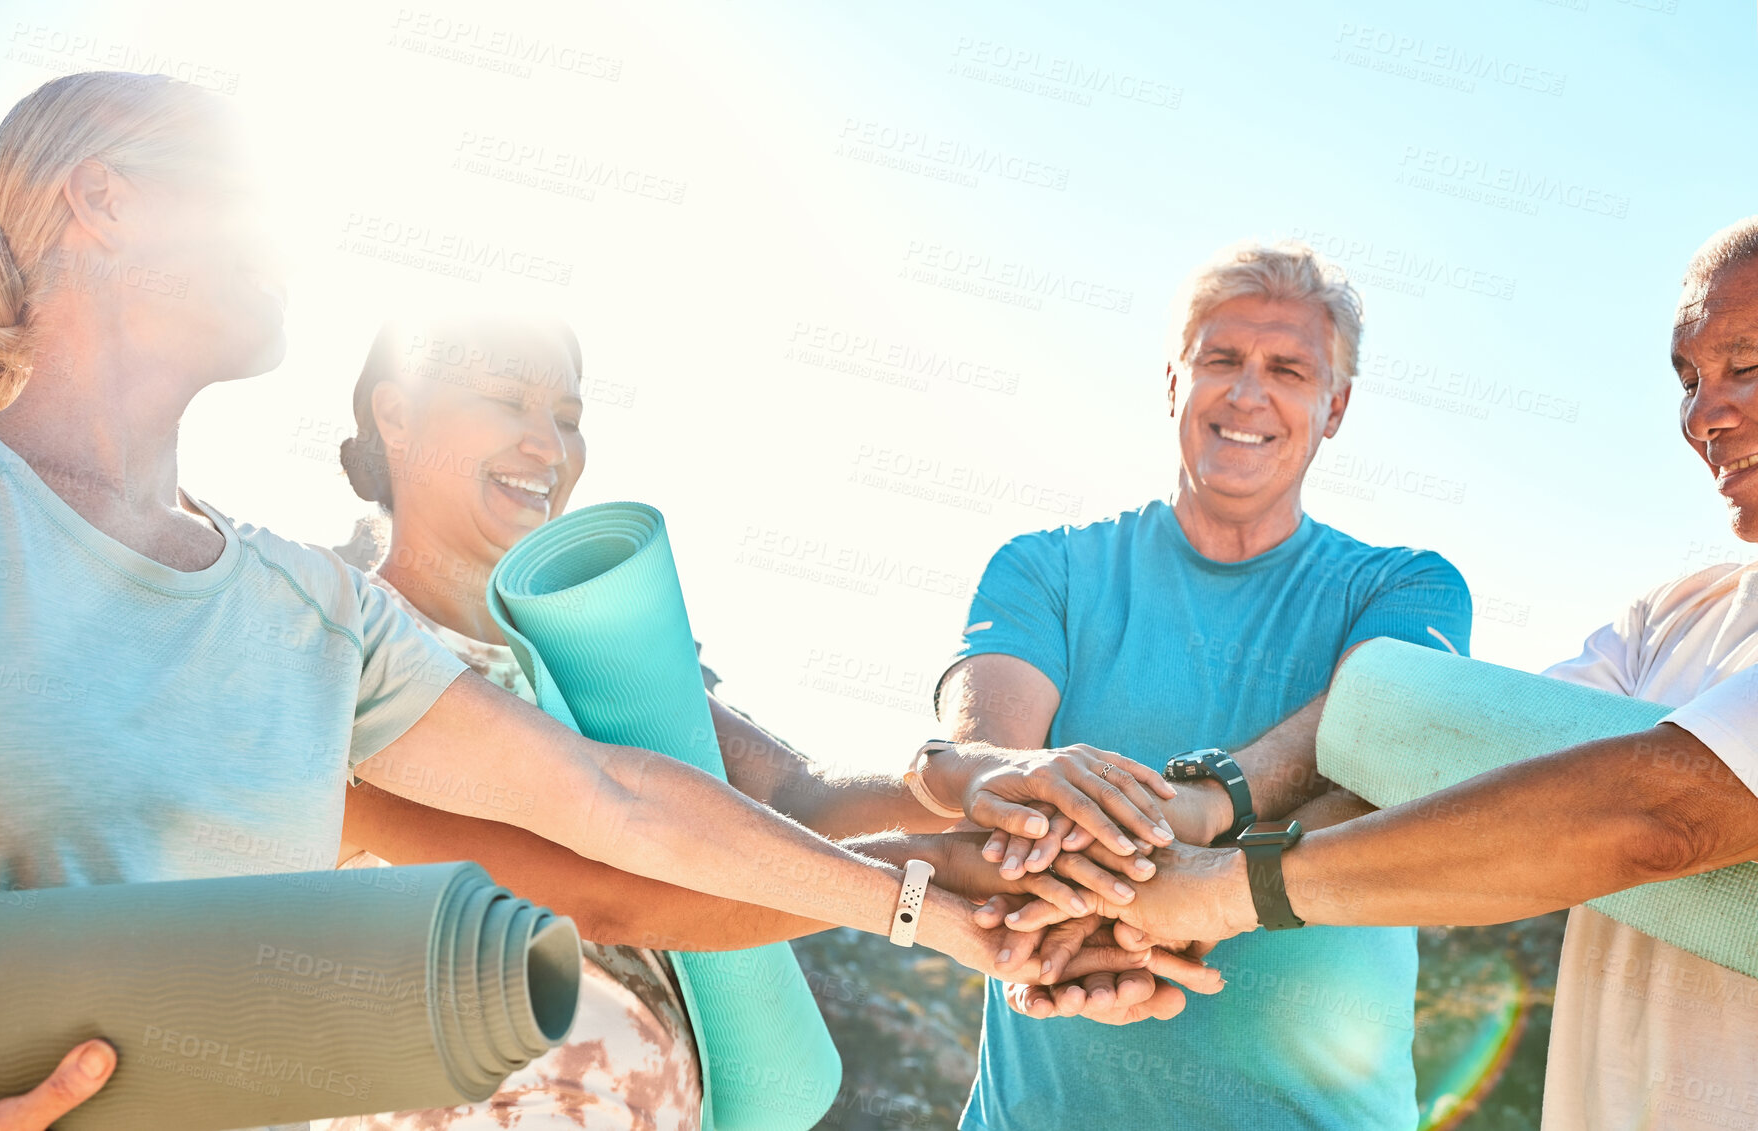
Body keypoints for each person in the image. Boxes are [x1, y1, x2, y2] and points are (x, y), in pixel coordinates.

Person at [0, 71, 1180, 1127]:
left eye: (565, 413)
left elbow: (613, 810)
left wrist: (950, 909)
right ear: (104, 200)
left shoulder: (307, 614)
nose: (283, 238)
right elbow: (592, 881)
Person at [315, 315, 1218, 1129]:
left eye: (568, 412)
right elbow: (608, 891)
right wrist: (935, 888)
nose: (546, 443)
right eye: (505, 400)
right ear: (395, 414)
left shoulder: (580, 663)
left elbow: (787, 797)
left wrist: (967, 781)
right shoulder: (329, 649)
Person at [1010, 219, 1758, 1131]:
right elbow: (1444, 768)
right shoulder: (1666, 618)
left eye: (1745, 366)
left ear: (1336, 406)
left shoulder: (1403, 585)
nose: (1702, 415)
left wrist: (1219, 881)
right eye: (1687, 379)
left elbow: (1659, 818)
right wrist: (1180, 860)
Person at [933, 241, 1474, 1130]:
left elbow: (1382, 738)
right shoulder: (1046, 570)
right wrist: (1111, 921)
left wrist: (1203, 813)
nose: (1248, 392)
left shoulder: (1406, 588)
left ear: (1335, 407)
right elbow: (989, 772)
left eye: (1289, 369)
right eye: (1221, 359)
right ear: (1173, 379)